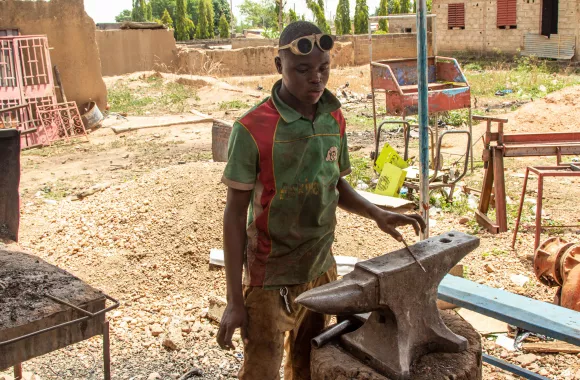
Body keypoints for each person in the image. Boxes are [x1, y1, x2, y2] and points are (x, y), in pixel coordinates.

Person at [217, 21, 426, 380]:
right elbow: (234, 217)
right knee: (260, 372)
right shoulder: (252, 129)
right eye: (302, 69)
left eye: (324, 68)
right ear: (278, 65)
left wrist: (377, 213)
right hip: (271, 280)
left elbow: (334, 184)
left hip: (321, 271)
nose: (316, 78)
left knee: (308, 366)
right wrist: (235, 301)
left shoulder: (334, 117)